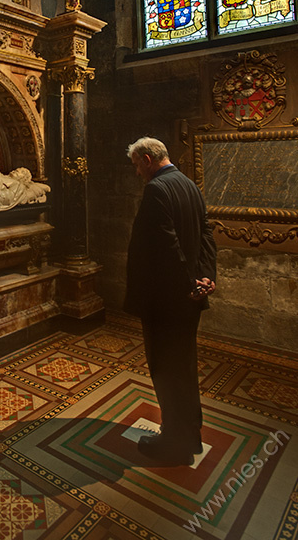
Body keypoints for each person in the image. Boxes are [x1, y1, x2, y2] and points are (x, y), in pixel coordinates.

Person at [124, 137, 216, 465]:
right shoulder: (189, 184)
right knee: (184, 368)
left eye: (137, 165)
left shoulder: (157, 190)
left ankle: (174, 444)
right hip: (189, 297)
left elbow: (166, 245)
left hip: (167, 300)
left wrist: (187, 284)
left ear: (148, 159)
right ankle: (189, 436)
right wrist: (205, 277)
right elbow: (206, 233)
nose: (136, 172)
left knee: (165, 369)